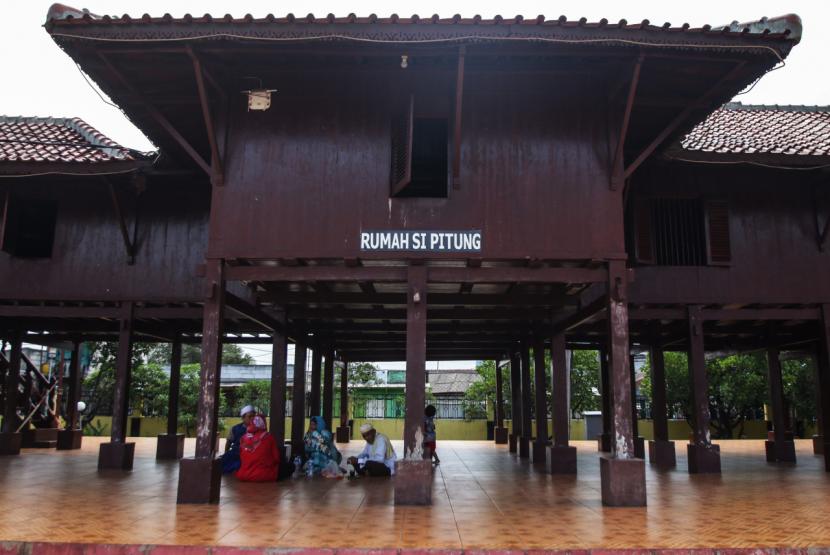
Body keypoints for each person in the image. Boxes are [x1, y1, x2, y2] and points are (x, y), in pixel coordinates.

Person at [236, 414, 280, 482]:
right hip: (264, 475)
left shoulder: (243, 437)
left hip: (243, 475)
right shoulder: (269, 437)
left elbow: (241, 455)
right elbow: (276, 458)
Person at [221, 405, 255, 474]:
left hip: (250, 454)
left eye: (253, 416)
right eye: (249, 416)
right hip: (236, 452)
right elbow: (229, 442)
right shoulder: (235, 428)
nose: (252, 418)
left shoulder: (258, 429)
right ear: (243, 418)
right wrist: (226, 453)